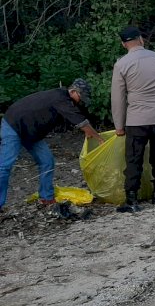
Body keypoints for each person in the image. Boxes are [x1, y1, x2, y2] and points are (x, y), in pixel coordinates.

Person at [0, 79, 104, 211]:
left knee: (47, 162)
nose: (80, 101)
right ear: (73, 91)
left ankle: (46, 197)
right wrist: (99, 138)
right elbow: (81, 122)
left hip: (31, 132)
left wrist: (88, 132)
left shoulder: (63, 99)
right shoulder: (61, 98)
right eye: (80, 97)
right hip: (13, 125)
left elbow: (78, 121)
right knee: (5, 167)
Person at [112, 26, 155, 213]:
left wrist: (119, 126)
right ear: (141, 39)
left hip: (137, 120)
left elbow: (118, 98)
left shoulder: (122, 64)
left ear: (124, 44)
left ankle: (132, 199)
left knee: (134, 159)